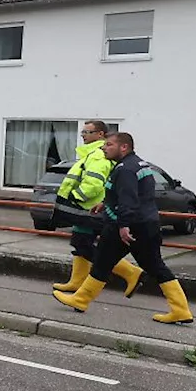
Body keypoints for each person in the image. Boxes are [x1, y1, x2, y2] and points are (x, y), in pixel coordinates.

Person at [53, 132, 194, 324]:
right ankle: (181, 309)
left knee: (103, 262)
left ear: (124, 147)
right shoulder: (140, 165)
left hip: (127, 225)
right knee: (153, 265)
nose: (104, 148)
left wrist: (124, 225)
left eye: (109, 145)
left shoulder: (125, 169)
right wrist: (105, 202)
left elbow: (129, 199)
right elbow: (137, 194)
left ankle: (81, 299)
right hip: (147, 224)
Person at [50, 120, 143, 296]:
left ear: (99, 134)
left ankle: (130, 272)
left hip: (89, 209)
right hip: (86, 209)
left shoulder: (98, 155)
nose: (83, 135)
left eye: (87, 132)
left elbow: (94, 183)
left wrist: (76, 197)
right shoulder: (92, 153)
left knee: (85, 245)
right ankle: (76, 281)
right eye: (82, 132)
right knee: (80, 243)